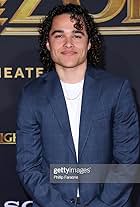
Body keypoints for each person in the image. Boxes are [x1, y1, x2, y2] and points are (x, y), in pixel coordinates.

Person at [16, 3, 139, 207]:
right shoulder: (32, 95)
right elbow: (28, 166)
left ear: (89, 43)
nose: (68, 43)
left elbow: (127, 163)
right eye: (59, 35)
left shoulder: (117, 90)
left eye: (77, 35)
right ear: (48, 43)